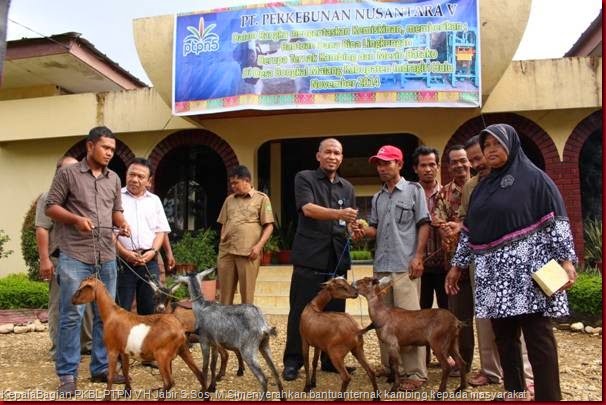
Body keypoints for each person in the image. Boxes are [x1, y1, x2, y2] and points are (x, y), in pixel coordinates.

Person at [446, 123, 577, 401]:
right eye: (487, 145)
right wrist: (457, 266)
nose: (491, 150)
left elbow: (556, 221)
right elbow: (469, 231)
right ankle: (515, 392)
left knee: (538, 338)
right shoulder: (482, 188)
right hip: (493, 276)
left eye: (497, 144)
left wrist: (566, 261)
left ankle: (548, 397)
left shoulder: (535, 179)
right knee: (504, 339)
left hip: (528, 274)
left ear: (512, 144)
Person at [45, 126, 130, 395]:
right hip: (75, 254)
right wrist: (75, 220)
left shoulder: (114, 178)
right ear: (90, 146)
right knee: (72, 315)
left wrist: (122, 223)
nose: (109, 153)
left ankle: (101, 368)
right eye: (105, 147)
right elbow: (51, 207)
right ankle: (67, 375)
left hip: (106, 254)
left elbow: (116, 210)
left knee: (107, 315)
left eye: (112, 149)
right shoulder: (68, 174)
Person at [451, 135, 535, 392]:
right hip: (481, 262)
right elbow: (466, 221)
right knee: (485, 317)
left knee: (519, 316)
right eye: (474, 160)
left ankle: (526, 374)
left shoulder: (518, 178)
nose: (478, 163)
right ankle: (490, 370)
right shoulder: (471, 187)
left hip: (514, 261)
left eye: (480, 157)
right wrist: (457, 231)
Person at [354, 145, 430, 391]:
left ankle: (416, 374)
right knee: (381, 319)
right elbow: (374, 230)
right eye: (378, 163)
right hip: (382, 270)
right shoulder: (377, 197)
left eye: (387, 162)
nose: (382, 168)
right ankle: (390, 367)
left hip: (405, 267)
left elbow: (424, 224)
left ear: (399, 164)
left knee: (411, 323)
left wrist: (418, 256)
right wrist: (362, 231)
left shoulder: (414, 190)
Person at [282, 138, 357, 381]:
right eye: (328, 152)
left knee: (335, 314)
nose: (332, 156)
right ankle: (293, 361)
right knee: (301, 312)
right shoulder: (305, 178)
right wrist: (339, 214)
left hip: (337, 259)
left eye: (337, 153)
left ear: (342, 158)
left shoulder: (348, 187)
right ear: (318, 156)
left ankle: (331, 360)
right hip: (310, 257)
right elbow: (308, 209)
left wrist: (354, 228)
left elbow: (347, 222)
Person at [36, 155, 93, 360]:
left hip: (84, 257)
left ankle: (85, 345)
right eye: (68, 170)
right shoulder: (48, 197)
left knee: (86, 304)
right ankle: (59, 347)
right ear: (58, 173)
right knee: (60, 304)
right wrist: (45, 259)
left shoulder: (83, 197)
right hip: (60, 258)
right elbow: (42, 229)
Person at [432, 144, 473, 375]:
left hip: (483, 261)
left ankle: (496, 367)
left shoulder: (482, 186)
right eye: (454, 162)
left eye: (463, 160)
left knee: (490, 318)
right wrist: (446, 229)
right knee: (459, 318)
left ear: (470, 162)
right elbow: (438, 220)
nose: (459, 165)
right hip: (456, 266)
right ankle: (462, 364)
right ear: (448, 167)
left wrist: (460, 226)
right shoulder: (444, 193)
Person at [116, 158, 170, 315]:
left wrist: (153, 251)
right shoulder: (116, 197)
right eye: (132, 174)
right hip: (122, 262)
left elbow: (160, 231)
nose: (135, 179)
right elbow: (110, 232)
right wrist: (124, 253)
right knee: (121, 309)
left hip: (149, 261)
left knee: (149, 309)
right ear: (126, 175)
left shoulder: (154, 200)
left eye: (140, 176)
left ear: (149, 181)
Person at [217, 165, 274, 305]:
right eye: (231, 183)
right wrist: (222, 240)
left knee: (247, 296)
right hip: (227, 253)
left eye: (235, 183)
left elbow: (269, 226)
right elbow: (224, 222)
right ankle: (224, 320)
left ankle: (246, 320)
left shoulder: (262, 199)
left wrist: (258, 247)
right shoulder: (229, 200)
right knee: (224, 296)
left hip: (248, 253)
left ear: (247, 180)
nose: (233, 186)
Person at [411, 146, 447, 311]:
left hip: (444, 265)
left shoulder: (448, 194)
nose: (428, 169)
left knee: (447, 312)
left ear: (438, 167)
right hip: (418, 266)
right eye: (423, 165)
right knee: (419, 314)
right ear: (415, 168)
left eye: (432, 164)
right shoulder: (409, 195)